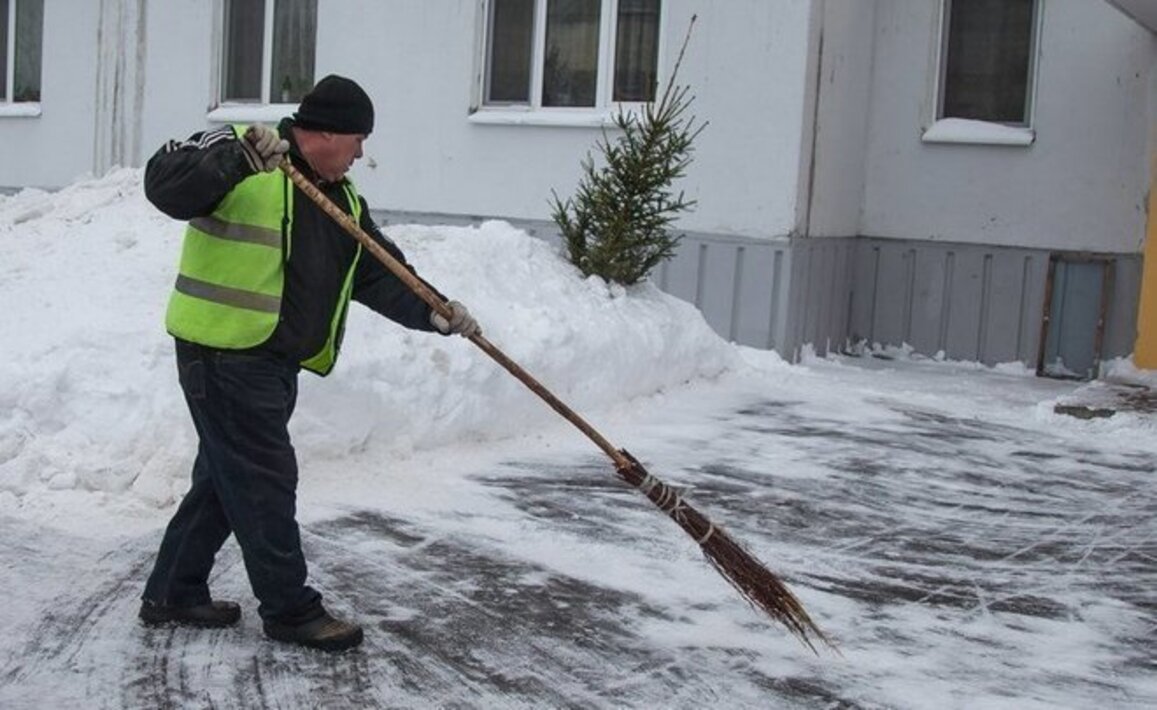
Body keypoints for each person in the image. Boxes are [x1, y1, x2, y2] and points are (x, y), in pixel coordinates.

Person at [138, 75, 478, 652]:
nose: (362, 153)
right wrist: (240, 160)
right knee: (264, 482)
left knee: (226, 480)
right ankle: (291, 611)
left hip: (271, 360)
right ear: (323, 133)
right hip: (223, 353)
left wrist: (434, 310)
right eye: (358, 139)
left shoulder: (340, 199)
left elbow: (377, 269)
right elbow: (163, 182)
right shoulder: (246, 153)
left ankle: (174, 591)